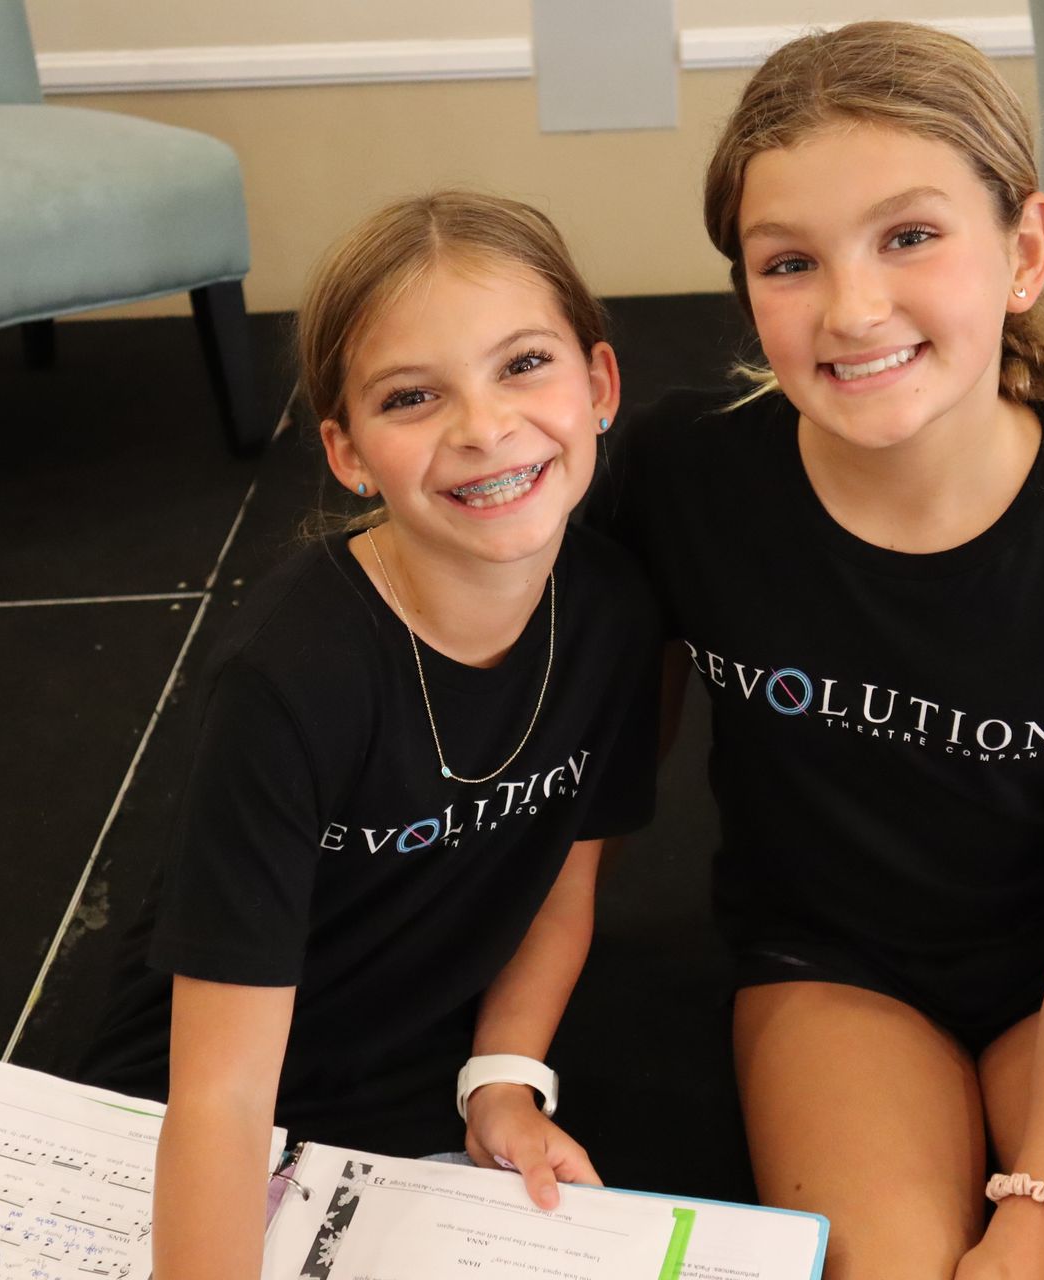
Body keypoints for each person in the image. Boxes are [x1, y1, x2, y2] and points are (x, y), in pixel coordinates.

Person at [598, 21, 1044, 1280]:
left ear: (1023, 251)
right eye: (788, 260)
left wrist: (1041, 1215)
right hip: (831, 975)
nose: (853, 308)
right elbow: (595, 781)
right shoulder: (686, 476)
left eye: (910, 236)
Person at [79, 191, 658, 1280]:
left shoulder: (618, 612)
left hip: (421, 1071)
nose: (483, 427)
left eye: (524, 364)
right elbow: (221, 1089)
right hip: (211, 1094)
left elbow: (565, 882)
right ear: (348, 452)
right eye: (412, 395)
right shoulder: (289, 676)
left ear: (601, 384)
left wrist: (503, 1074)